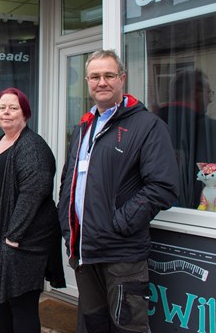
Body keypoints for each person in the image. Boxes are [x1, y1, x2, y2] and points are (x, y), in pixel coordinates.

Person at [57, 49, 179, 333]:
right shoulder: (84, 126)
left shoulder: (146, 125)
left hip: (121, 254)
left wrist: (119, 223)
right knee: (95, 325)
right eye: (95, 76)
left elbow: (163, 186)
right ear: (87, 81)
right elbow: (70, 180)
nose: (102, 82)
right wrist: (66, 224)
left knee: (128, 328)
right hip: (83, 252)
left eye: (109, 75)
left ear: (122, 79)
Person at [0, 87, 65, 333]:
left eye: (13, 108)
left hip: (21, 245)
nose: (6, 113)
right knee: (2, 303)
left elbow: (34, 193)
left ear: (25, 113)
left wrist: (12, 237)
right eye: (2, 108)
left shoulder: (32, 146)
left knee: (22, 306)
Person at [157, 69, 216, 208]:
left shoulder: (152, 122)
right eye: (208, 93)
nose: (210, 99)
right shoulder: (212, 130)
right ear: (196, 92)